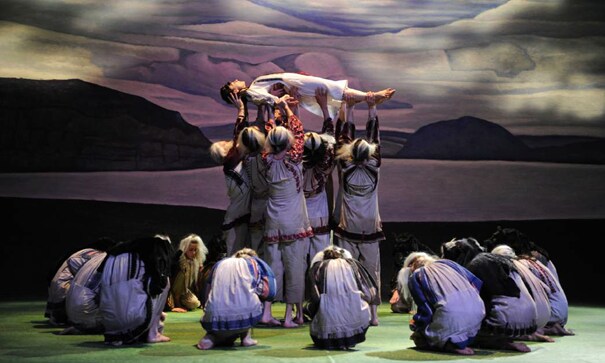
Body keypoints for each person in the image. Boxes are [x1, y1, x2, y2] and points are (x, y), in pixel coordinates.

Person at [260, 95, 314, 328]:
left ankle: (267, 310)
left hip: (273, 219)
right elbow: (299, 132)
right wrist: (287, 110)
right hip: (293, 220)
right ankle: (291, 316)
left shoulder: (266, 159)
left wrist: (273, 109)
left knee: (272, 265)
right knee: (295, 265)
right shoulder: (294, 158)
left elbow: (271, 131)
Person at [333, 92, 385, 326]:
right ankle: (373, 315)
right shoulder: (374, 168)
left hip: (349, 229)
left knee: (349, 272)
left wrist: (350, 108)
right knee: (372, 274)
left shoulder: (345, 168)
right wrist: (372, 108)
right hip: (370, 229)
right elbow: (374, 138)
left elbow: (344, 139)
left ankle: (353, 310)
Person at [441, 237, 537, 352]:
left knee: (462, 332)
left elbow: (474, 304)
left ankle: (499, 341)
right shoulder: (494, 258)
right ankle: (509, 336)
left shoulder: (475, 265)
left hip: (505, 321)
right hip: (530, 320)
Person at [484, 227, 573, 336]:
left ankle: (537, 329)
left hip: (547, 313)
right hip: (559, 313)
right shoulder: (537, 258)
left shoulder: (520, 263)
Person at [398, 252, 485, 355]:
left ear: (410, 267)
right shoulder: (449, 264)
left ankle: (449, 343)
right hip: (479, 313)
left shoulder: (417, 275)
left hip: (450, 316)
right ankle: (459, 341)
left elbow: (426, 311)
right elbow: (476, 283)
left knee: (420, 339)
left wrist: (417, 326)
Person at [220, 72, 395, 121]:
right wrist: (281, 99)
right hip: (294, 84)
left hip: (293, 82)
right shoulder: (250, 93)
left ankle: (369, 98)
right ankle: (371, 97)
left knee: (329, 89)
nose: (235, 79)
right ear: (234, 91)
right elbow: (269, 100)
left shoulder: (252, 88)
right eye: (232, 83)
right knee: (329, 88)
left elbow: (268, 96)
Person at [98, 234, 174, 346]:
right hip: (135, 321)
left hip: (107, 324)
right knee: (164, 283)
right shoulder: (152, 254)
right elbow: (156, 287)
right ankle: (153, 334)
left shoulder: (114, 255)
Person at [198, 248, 276, 350]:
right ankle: (246, 337)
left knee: (216, 323)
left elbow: (207, 292)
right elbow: (268, 292)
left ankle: (211, 337)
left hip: (213, 319)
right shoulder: (254, 264)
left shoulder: (219, 264)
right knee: (249, 298)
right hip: (244, 316)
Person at [305, 246, 379, 350]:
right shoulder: (352, 265)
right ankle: (348, 339)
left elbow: (314, 297)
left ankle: (332, 340)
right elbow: (370, 292)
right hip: (353, 316)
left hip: (327, 318)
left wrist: (312, 309)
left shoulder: (318, 267)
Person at [209, 91, 252, 256]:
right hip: (237, 214)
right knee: (234, 251)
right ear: (223, 153)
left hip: (239, 212)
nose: (227, 142)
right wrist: (241, 109)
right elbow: (239, 133)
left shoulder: (231, 162)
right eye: (224, 144)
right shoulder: (231, 161)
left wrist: (244, 107)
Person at [45, 237, 117, 326]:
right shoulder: (96, 255)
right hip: (64, 287)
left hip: (56, 285)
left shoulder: (83, 251)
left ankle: (58, 315)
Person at [491, 245, 555, 342]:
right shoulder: (525, 264)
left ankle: (517, 334)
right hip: (545, 317)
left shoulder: (503, 266)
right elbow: (547, 289)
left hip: (531, 320)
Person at [302, 87, 337, 266]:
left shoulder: (295, 164)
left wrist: (292, 108)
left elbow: (289, 136)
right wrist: (324, 107)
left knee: (299, 262)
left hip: (300, 215)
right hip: (321, 213)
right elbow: (330, 136)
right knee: (321, 261)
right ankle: (320, 290)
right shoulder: (326, 165)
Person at [60, 248, 113, 335]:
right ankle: (87, 326)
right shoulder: (112, 263)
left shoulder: (98, 258)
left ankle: (83, 323)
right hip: (85, 312)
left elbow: (72, 262)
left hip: (71, 312)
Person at [389, 233, 435, 314]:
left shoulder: (429, 266)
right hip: (409, 296)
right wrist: (396, 291)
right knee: (397, 306)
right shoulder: (404, 271)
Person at [166, 234, 208, 313]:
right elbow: (176, 288)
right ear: (185, 249)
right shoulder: (180, 263)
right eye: (191, 250)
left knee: (194, 303)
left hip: (185, 292)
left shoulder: (195, 262)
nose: (194, 252)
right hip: (172, 293)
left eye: (195, 250)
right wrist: (178, 305)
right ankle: (176, 304)